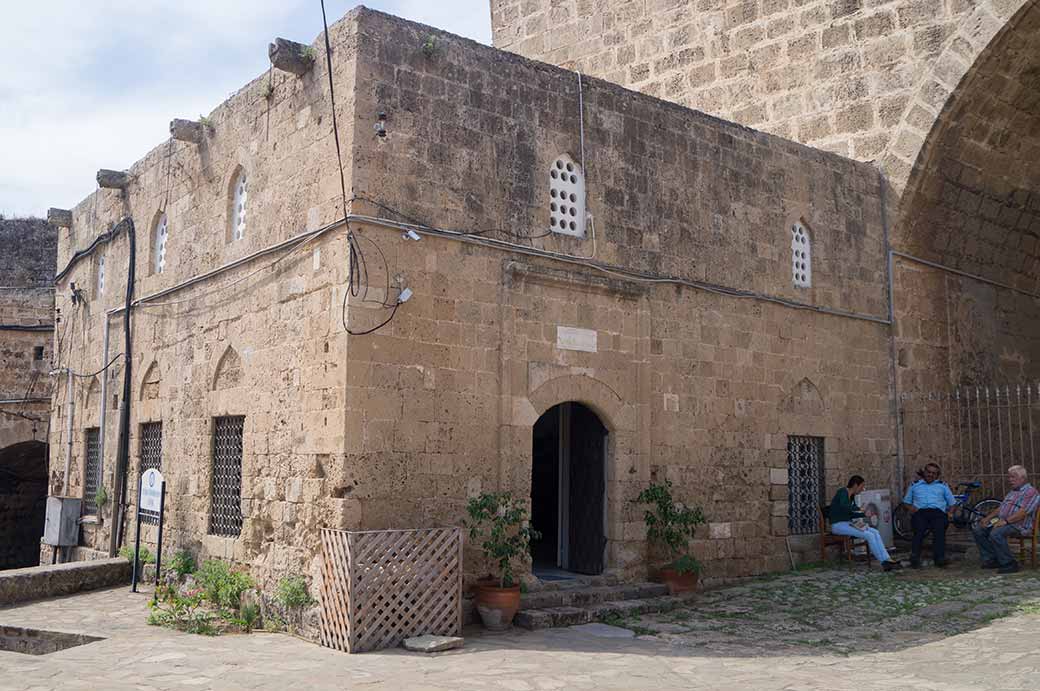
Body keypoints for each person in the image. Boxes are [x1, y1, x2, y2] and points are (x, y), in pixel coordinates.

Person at [973, 465, 1040, 574]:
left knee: (996, 533)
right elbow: (1001, 508)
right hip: (1003, 522)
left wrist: (1005, 521)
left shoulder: (1031, 492)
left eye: (1013, 477)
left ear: (1023, 478)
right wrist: (988, 518)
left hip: (1019, 525)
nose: (1010, 480)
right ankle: (991, 559)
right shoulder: (1012, 492)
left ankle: (1009, 563)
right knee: (978, 530)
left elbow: (1023, 512)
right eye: (1009, 477)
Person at [829, 475, 902, 571]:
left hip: (847, 523)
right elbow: (843, 506)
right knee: (869, 535)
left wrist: (864, 515)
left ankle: (888, 559)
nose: (862, 489)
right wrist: (859, 509)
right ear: (855, 485)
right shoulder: (842, 492)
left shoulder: (852, 497)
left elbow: (850, 514)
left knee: (875, 532)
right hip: (838, 525)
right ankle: (883, 562)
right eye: (861, 486)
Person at [901, 462, 956, 568]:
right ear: (924, 472)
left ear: (937, 475)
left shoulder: (942, 486)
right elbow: (906, 502)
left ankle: (939, 558)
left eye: (934, 473)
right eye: (928, 472)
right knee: (919, 529)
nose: (930, 475)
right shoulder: (915, 485)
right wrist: (911, 508)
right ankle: (915, 557)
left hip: (938, 513)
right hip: (920, 512)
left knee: (939, 528)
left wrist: (950, 513)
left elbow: (952, 503)